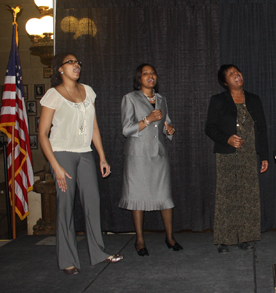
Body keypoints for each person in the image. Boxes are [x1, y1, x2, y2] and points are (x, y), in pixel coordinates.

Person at [38, 53, 123, 275]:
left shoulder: (88, 91)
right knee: (65, 207)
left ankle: (98, 253)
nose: (76, 65)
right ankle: (67, 260)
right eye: (70, 62)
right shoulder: (53, 95)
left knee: (92, 203)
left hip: (85, 154)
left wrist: (102, 157)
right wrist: (55, 166)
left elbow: (94, 127)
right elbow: (42, 134)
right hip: (62, 154)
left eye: (78, 62)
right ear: (60, 69)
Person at [118, 63, 182, 256]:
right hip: (137, 156)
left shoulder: (161, 99)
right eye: (145, 73)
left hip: (159, 155)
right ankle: (139, 240)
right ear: (139, 78)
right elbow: (126, 129)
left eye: (153, 73)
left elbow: (165, 123)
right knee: (137, 198)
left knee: (165, 197)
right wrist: (147, 119)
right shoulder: (130, 98)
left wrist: (168, 129)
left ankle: (170, 237)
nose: (150, 76)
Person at [205, 64, 269, 254]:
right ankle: (224, 240)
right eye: (231, 74)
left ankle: (245, 237)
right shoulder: (218, 100)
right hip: (226, 154)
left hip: (249, 155)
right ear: (225, 82)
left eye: (237, 72)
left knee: (247, 197)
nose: (237, 75)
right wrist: (227, 138)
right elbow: (209, 127)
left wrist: (264, 155)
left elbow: (262, 129)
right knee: (227, 196)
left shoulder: (254, 100)